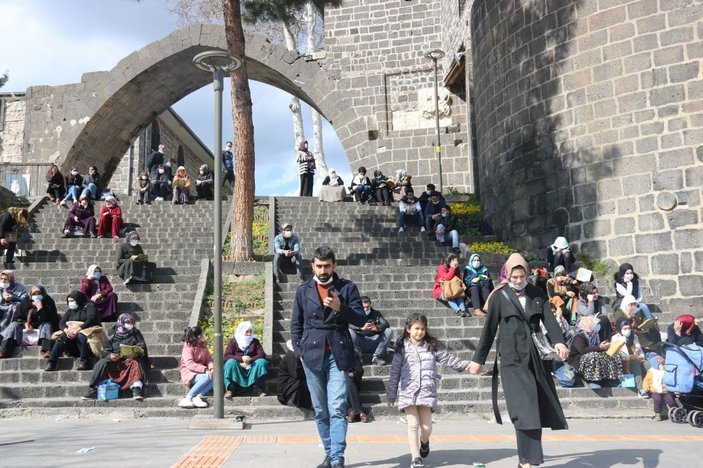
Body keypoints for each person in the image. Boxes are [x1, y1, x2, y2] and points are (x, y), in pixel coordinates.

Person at [468, 253, 569, 468]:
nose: (518, 280)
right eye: (514, 277)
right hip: (511, 360)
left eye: (521, 276)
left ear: (526, 274)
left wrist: (559, 342)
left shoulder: (536, 293)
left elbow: (549, 320)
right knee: (522, 409)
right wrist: (478, 359)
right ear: (508, 275)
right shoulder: (499, 296)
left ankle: (528, 460)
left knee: (534, 407)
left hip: (535, 358)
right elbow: (488, 331)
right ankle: (528, 461)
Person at [290, 246, 367, 468]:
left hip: (338, 353)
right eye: (319, 265)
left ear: (334, 266)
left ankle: (337, 458)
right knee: (321, 409)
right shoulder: (303, 290)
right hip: (311, 355)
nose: (323, 269)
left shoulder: (347, 288)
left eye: (327, 265)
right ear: (312, 265)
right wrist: (299, 351)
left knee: (337, 407)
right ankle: (329, 452)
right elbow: (296, 324)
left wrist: (340, 307)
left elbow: (361, 320)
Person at [387, 314, 472, 468]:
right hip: (408, 391)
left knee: (426, 428)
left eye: (422, 329)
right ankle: (416, 458)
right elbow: (395, 373)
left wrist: (467, 365)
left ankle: (424, 442)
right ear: (408, 329)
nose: (420, 332)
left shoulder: (431, 346)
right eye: (416, 328)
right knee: (412, 425)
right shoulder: (401, 348)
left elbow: (449, 359)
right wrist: (391, 395)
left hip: (426, 391)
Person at [82, 313, 148, 401]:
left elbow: (142, 347)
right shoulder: (111, 333)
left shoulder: (136, 333)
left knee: (135, 363)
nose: (130, 324)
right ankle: (93, 389)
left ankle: (136, 389)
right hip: (115, 359)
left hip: (130, 359)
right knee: (102, 363)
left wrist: (137, 352)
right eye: (128, 322)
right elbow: (104, 349)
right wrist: (110, 355)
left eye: (132, 322)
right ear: (121, 322)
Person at [45, 290, 100, 372]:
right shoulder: (70, 311)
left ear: (78, 300)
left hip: (86, 335)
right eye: (69, 301)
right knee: (62, 338)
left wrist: (78, 329)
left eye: (72, 301)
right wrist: (66, 331)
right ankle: (51, 362)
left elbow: (91, 319)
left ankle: (84, 362)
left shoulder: (89, 307)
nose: (70, 303)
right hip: (71, 336)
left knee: (81, 336)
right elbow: (62, 323)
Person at [0, 285, 58, 358]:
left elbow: (51, 319)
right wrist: (25, 324)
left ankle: (47, 350)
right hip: (26, 330)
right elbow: (17, 317)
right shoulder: (25, 302)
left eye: (39, 293)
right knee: (13, 325)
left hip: (41, 330)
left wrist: (40, 307)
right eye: (34, 294)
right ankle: (4, 351)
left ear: (43, 293)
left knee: (47, 325)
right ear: (30, 294)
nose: (36, 296)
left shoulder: (48, 301)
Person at [567, 315, 622, 388]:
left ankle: (611, 379)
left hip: (591, 357)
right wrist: (600, 347)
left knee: (612, 355)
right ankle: (592, 380)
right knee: (593, 355)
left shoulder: (595, 335)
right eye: (594, 324)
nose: (597, 326)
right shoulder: (579, 336)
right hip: (578, 360)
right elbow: (583, 350)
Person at [223, 321, 268, 398]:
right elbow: (227, 356)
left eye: (250, 331)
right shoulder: (234, 341)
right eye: (247, 332)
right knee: (230, 363)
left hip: (252, 366)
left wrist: (250, 360)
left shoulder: (255, 341)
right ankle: (230, 389)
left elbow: (262, 354)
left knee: (261, 362)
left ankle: (257, 388)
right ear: (241, 332)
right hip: (238, 366)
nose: (249, 334)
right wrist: (241, 359)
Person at [348, 296, 392, 366]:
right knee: (350, 331)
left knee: (388, 331)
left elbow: (386, 324)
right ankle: (359, 357)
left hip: (375, 341)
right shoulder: (355, 314)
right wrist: (360, 328)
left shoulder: (376, 314)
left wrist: (377, 328)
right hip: (360, 341)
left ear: (370, 305)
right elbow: (348, 325)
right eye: (363, 307)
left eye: (367, 307)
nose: (365, 309)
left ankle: (376, 357)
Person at [178, 325, 214, 408]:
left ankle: (198, 397)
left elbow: (209, 359)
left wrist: (211, 368)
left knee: (215, 377)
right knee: (206, 377)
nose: (204, 335)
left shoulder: (203, 346)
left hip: (201, 372)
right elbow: (189, 363)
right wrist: (205, 369)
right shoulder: (188, 347)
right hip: (189, 372)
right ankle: (188, 397)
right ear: (199, 336)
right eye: (203, 334)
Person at [612, 318, 647, 397]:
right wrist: (632, 357)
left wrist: (641, 357)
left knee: (648, 364)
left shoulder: (634, 337)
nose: (627, 330)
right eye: (625, 328)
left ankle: (652, 386)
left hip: (637, 358)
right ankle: (640, 389)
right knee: (635, 362)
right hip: (624, 362)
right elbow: (616, 354)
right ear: (620, 329)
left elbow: (640, 350)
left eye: (629, 328)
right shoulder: (615, 338)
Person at [276, 340, 312, 410]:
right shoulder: (292, 356)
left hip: (289, 386)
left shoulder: (293, 355)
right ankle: (293, 401)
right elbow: (296, 375)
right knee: (304, 382)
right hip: (286, 392)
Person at [642, 354, 676, 421]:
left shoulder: (666, 372)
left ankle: (673, 412)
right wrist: (645, 387)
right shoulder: (651, 372)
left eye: (664, 364)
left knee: (670, 400)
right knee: (657, 399)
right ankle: (657, 413)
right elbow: (646, 381)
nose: (664, 366)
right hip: (654, 391)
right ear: (656, 365)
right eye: (661, 364)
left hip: (665, 391)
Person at [433, 253, 468, 317]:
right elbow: (447, 277)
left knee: (459, 295)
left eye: (456, 260)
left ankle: (463, 310)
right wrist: (452, 268)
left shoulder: (456, 268)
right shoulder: (442, 267)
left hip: (453, 288)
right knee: (449, 295)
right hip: (441, 290)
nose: (456, 262)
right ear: (449, 261)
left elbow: (459, 279)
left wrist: (455, 269)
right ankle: (458, 310)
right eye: (454, 260)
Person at [0, 270, 28, 336]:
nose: (3, 281)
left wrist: (13, 298)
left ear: (11, 279)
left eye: (6, 279)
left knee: (15, 306)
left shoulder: (20, 288)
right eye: (1, 279)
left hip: (14, 311)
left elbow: (25, 302)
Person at [346, 354, 367, 423]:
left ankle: (352, 411)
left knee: (348, 382)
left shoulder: (351, 353)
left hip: (352, 382)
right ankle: (358, 411)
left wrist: (349, 374)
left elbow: (359, 371)